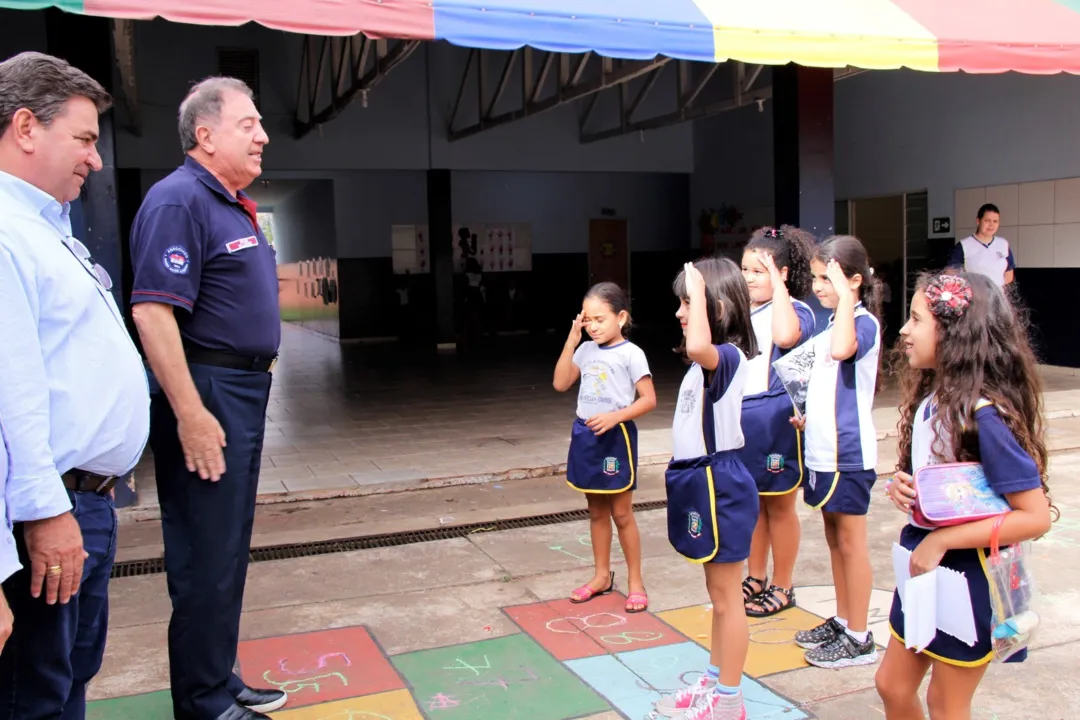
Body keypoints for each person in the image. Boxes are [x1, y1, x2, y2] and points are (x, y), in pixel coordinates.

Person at [128, 77, 285, 720]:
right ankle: (203, 703)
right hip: (209, 390)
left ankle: (218, 676)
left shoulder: (228, 202)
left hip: (241, 387)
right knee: (204, 555)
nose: (263, 136)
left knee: (226, 547)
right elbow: (154, 314)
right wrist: (192, 414)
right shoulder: (179, 201)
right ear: (205, 134)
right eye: (248, 124)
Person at [0, 51, 150, 718]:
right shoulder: (6, 236)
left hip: (85, 502)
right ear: (27, 126)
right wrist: (44, 511)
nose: (94, 158)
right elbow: (13, 388)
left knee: (68, 679)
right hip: (54, 510)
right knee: (38, 695)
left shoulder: (43, 231)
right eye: (84, 139)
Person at [876, 272, 1055, 719]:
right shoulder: (933, 401)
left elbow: (1034, 517)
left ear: (954, 334)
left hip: (967, 572)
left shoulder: (983, 417)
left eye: (915, 320)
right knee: (892, 686)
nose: (903, 330)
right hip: (923, 563)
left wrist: (941, 539)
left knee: (945, 702)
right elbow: (945, 484)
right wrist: (905, 486)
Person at [653, 258, 759, 720]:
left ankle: (729, 701)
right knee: (718, 598)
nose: (680, 312)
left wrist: (697, 288)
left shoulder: (726, 358)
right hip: (703, 482)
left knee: (727, 598)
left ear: (715, 308)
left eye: (688, 302)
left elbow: (698, 342)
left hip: (722, 484)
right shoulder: (703, 367)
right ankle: (716, 684)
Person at [791, 235, 883, 669]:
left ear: (855, 281)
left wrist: (846, 298)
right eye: (815, 278)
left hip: (849, 453)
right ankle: (845, 619)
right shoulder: (832, 322)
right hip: (823, 450)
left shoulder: (862, 323)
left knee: (851, 541)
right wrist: (807, 416)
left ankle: (860, 636)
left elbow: (844, 351)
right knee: (833, 539)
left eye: (827, 278)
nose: (819, 287)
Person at [553, 282, 656, 613]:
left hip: (616, 437)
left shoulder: (631, 354)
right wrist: (572, 340)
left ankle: (636, 582)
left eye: (600, 319)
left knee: (622, 513)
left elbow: (649, 400)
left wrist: (616, 417)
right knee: (596, 510)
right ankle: (601, 577)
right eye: (588, 320)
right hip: (586, 436)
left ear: (621, 317)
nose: (593, 326)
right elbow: (560, 383)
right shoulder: (584, 350)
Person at [738, 227, 816, 618]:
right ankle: (756, 576)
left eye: (761, 270)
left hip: (776, 421)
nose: (749, 277)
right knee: (753, 505)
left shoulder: (795, 310)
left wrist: (781, 289)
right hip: (746, 420)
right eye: (746, 269)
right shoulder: (743, 311)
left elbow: (785, 336)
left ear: (783, 274)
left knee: (780, 506)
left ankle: (783, 584)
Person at [947, 203, 1015, 287]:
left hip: (998, 295)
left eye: (995, 221)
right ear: (978, 221)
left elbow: (1009, 275)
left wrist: (994, 289)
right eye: (987, 221)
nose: (991, 225)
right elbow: (950, 273)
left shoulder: (1003, 244)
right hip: (974, 296)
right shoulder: (964, 245)